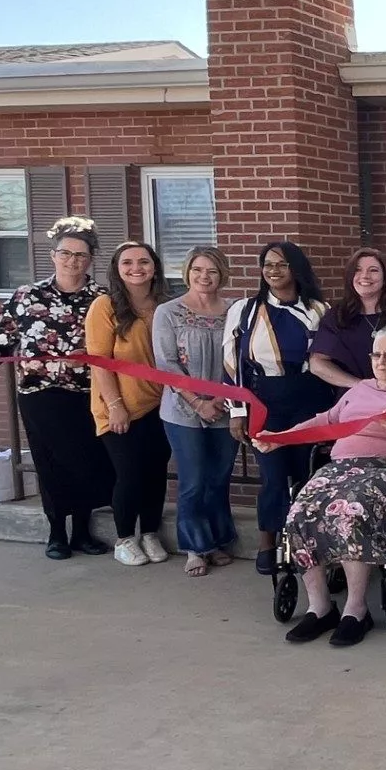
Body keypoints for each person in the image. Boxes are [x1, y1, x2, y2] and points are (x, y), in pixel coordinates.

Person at [0, 215, 115, 559]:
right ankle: (57, 532)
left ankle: (82, 532)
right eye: (66, 253)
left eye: (80, 255)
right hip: (40, 395)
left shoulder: (103, 298)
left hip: (89, 394)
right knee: (51, 463)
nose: (72, 260)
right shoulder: (28, 297)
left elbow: (119, 344)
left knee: (86, 460)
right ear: (53, 255)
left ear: (91, 260)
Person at [275, 325, 386, 648]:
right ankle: (319, 606)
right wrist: (280, 438)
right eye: (376, 354)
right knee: (300, 511)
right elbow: (326, 421)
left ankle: (356, 610)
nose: (381, 362)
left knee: (351, 509)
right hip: (342, 464)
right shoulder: (359, 390)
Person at [224, 241, 331, 574]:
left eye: (281, 264)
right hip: (265, 400)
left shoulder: (319, 310)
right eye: (267, 264)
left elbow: (327, 359)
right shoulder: (244, 310)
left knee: (308, 475)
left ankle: (308, 545)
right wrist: (237, 411)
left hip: (309, 397)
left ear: (296, 268)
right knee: (272, 476)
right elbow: (231, 364)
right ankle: (267, 542)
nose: (273, 271)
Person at [85, 240, 173, 567]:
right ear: (117, 269)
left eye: (143, 261)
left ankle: (149, 532)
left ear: (155, 267)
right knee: (130, 474)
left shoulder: (165, 304)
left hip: (161, 405)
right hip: (120, 406)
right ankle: (124, 538)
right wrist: (116, 404)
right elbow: (100, 361)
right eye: (128, 263)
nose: (136, 268)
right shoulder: (104, 306)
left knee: (155, 472)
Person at [153, 245, 238, 576]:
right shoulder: (169, 312)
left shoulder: (234, 310)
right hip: (182, 410)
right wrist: (198, 402)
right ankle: (194, 547)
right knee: (194, 479)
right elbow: (167, 364)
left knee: (219, 478)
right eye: (198, 270)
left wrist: (220, 401)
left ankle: (217, 540)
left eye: (212, 271)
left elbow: (240, 359)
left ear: (222, 275)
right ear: (187, 272)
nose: (205, 277)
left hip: (226, 408)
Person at [310, 248, 386, 388]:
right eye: (357, 270)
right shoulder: (337, 316)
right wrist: (361, 386)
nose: (365, 276)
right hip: (353, 399)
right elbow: (317, 363)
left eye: (373, 270)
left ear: (385, 278)